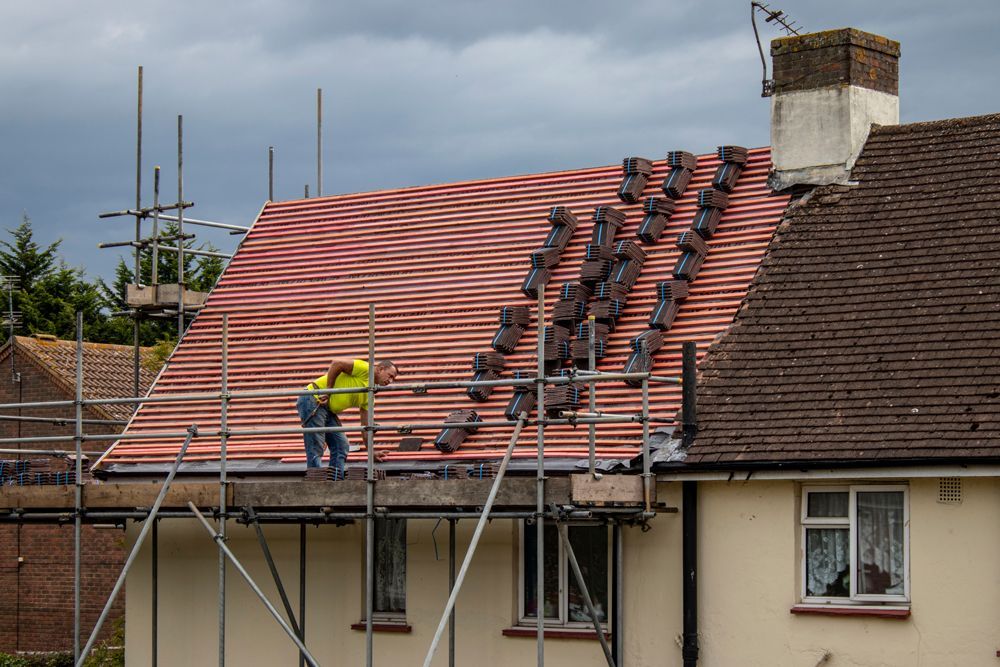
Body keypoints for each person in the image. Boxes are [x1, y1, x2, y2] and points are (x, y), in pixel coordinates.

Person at [297, 358, 399, 474]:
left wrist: (371, 453)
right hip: (314, 398)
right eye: (390, 376)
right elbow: (337, 363)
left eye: (393, 379)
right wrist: (329, 391)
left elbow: (366, 427)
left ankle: (335, 480)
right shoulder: (367, 369)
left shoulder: (369, 396)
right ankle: (314, 480)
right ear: (380, 369)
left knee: (341, 445)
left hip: (327, 409)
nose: (390, 381)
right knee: (316, 443)